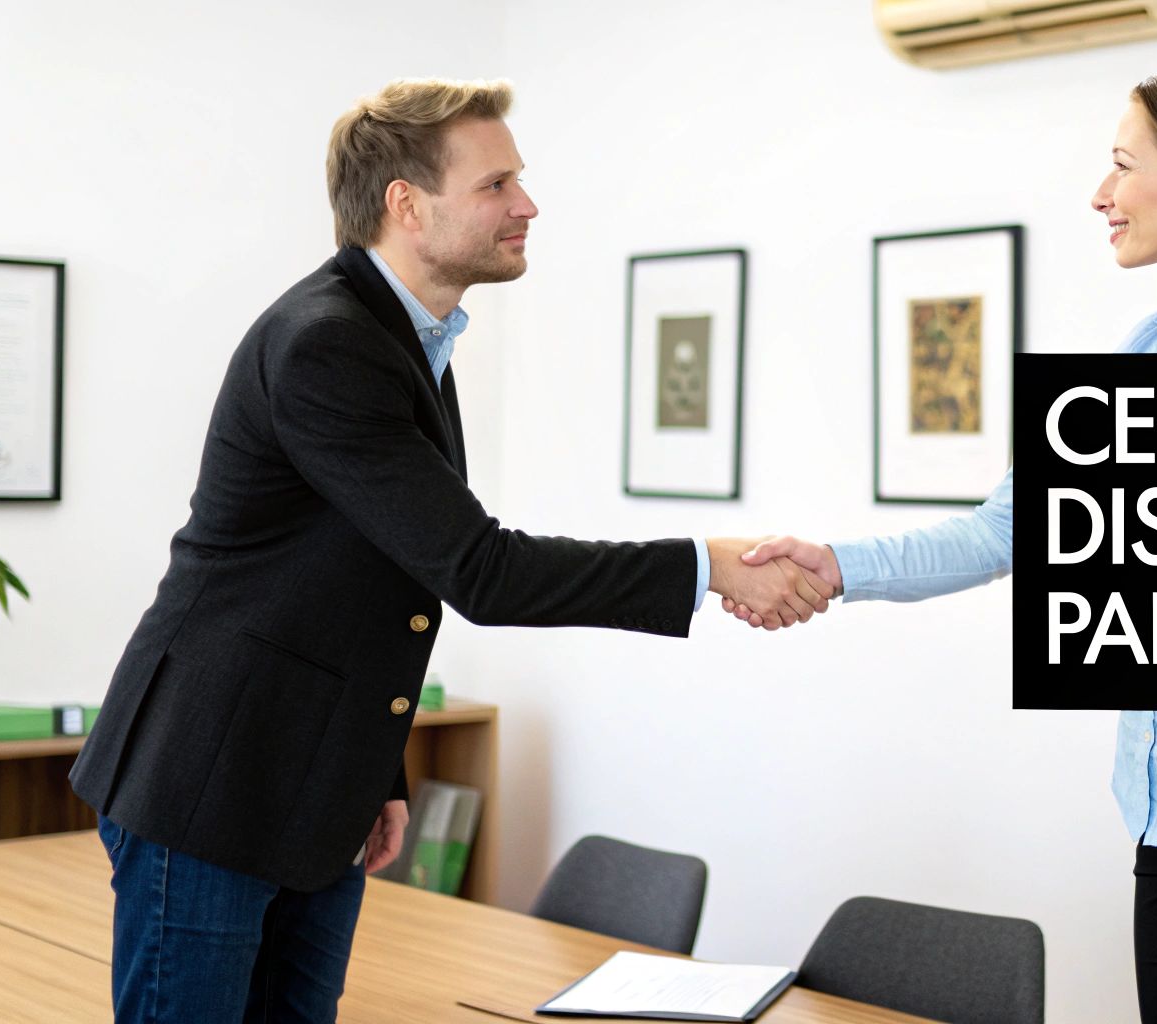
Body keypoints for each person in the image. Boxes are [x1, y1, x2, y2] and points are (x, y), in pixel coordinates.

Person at [68, 77, 828, 1024]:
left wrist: (374, 773)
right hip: (214, 787)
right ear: (405, 204)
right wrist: (708, 562)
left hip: (313, 789)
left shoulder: (403, 337)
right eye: (497, 184)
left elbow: (363, 582)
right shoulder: (327, 344)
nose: (527, 205)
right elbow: (478, 570)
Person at [725, 66, 1157, 1023]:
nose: (1102, 194)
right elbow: (1011, 526)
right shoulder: (1137, 357)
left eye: (1125, 167)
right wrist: (838, 567)